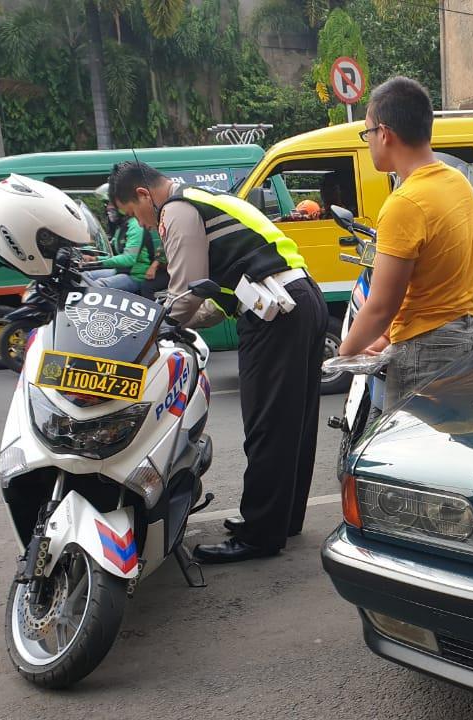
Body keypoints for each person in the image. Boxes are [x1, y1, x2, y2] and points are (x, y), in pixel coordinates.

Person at [108, 160, 328, 564]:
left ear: (143, 194)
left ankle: (260, 535)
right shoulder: (205, 197)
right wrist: (180, 321)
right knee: (292, 424)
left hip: (275, 313)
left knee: (266, 426)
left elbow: (186, 293)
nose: (140, 223)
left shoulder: (175, 209)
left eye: (133, 213)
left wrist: (145, 335)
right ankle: (280, 520)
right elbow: (209, 301)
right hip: (298, 299)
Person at [337, 77, 473, 409]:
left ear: (385, 133)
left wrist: (343, 353)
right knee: (462, 438)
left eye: (367, 133)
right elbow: (435, 280)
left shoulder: (405, 203)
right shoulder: (457, 182)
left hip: (427, 355)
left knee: (404, 442)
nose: (368, 142)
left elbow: (381, 306)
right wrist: (386, 337)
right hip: (470, 338)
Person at [83, 215, 167, 297]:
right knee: (85, 276)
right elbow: (119, 255)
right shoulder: (122, 226)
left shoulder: (136, 225)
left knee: (97, 285)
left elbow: (128, 259)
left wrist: (100, 262)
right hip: (122, 270)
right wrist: (95, 259)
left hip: (136, 275)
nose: (109, 210)